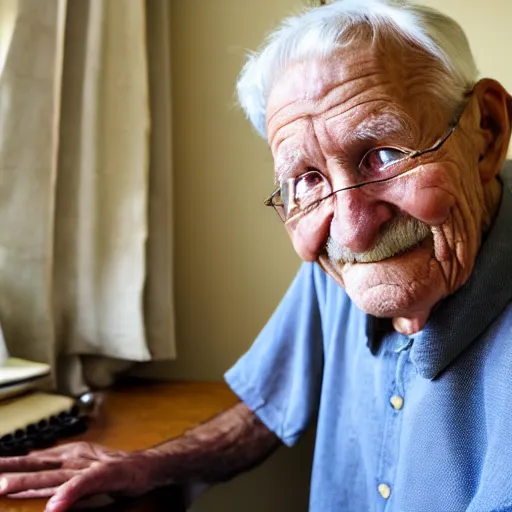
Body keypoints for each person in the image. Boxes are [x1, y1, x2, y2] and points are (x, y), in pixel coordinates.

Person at [1, 0, 512, 511]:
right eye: (308, 179)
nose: (353, 232)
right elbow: (264, 409)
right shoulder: (344, 260)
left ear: (485, 132)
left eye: (384, 154)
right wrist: (147, 465)